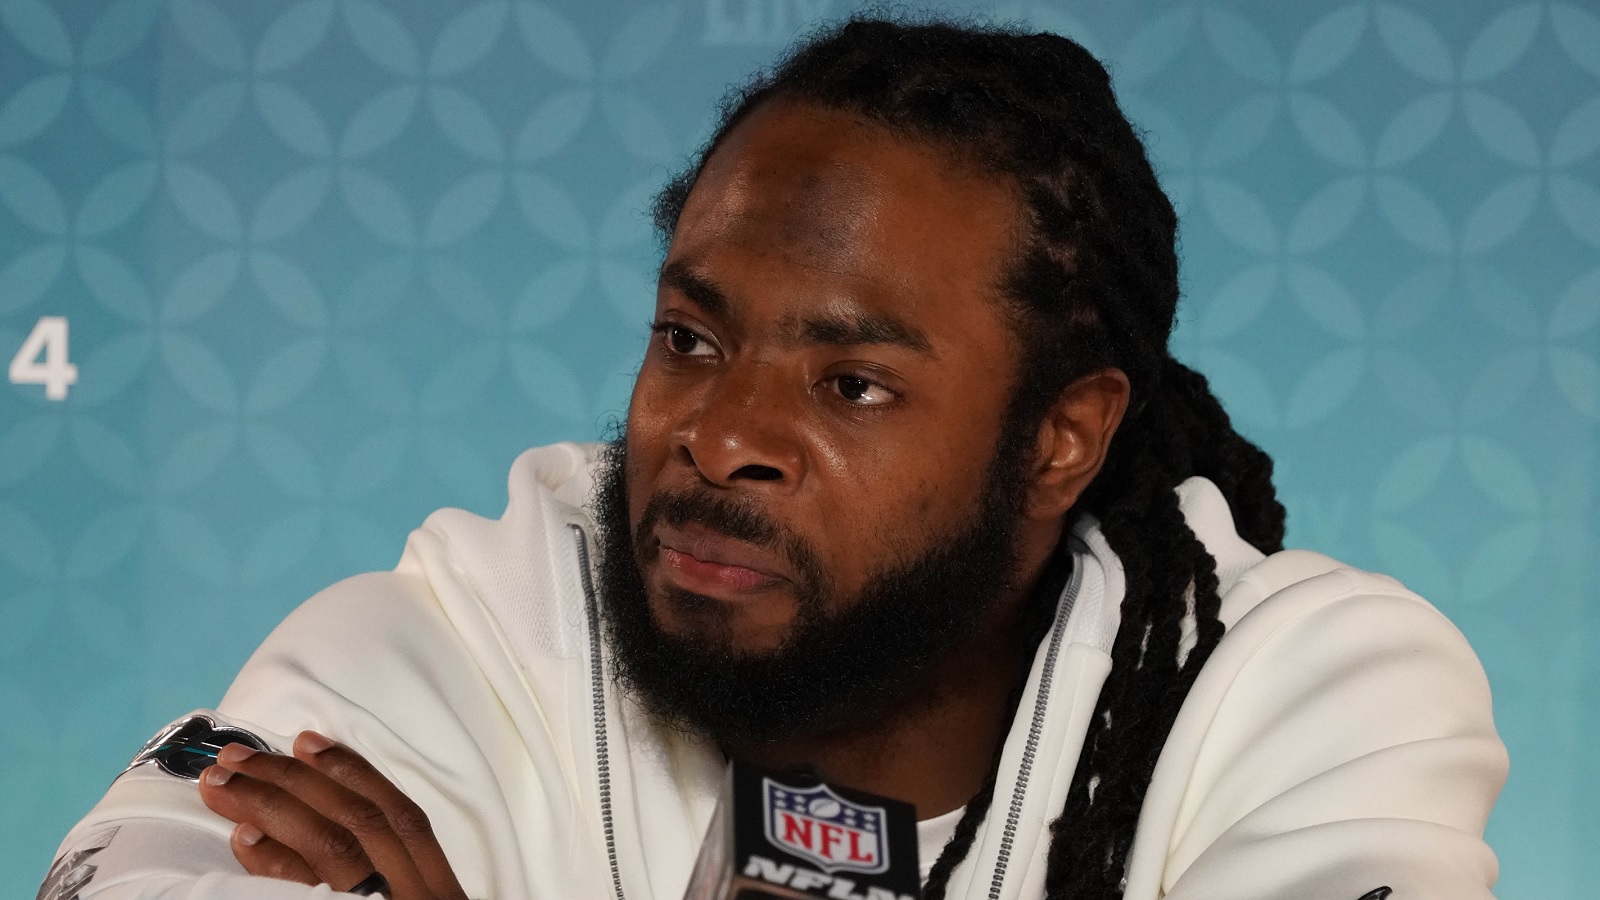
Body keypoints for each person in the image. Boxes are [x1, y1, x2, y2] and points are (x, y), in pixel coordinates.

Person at [41, 17, 1507, 900]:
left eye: (853, 382)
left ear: (1063, 436)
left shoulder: (1307, 687)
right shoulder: (478, 622)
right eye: (691, 337)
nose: (723, 436)